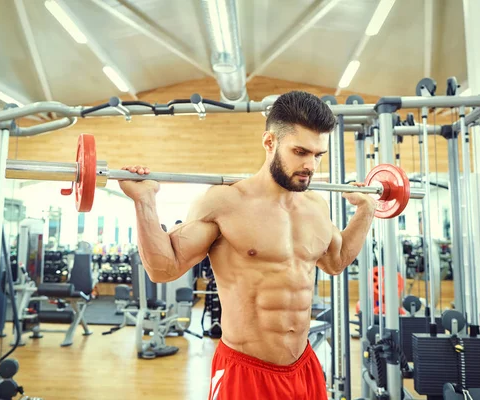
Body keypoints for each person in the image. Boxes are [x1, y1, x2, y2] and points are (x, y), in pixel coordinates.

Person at [118, 91, 377, 400]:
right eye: (300, 151)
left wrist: (366, 210)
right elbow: (163, 269)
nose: (310, 165)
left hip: (303, 366)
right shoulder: (225, 203)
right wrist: (144, 201)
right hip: (245, 371)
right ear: (270, 142)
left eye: (318, 155)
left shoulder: (316, 206)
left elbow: (336, 261)